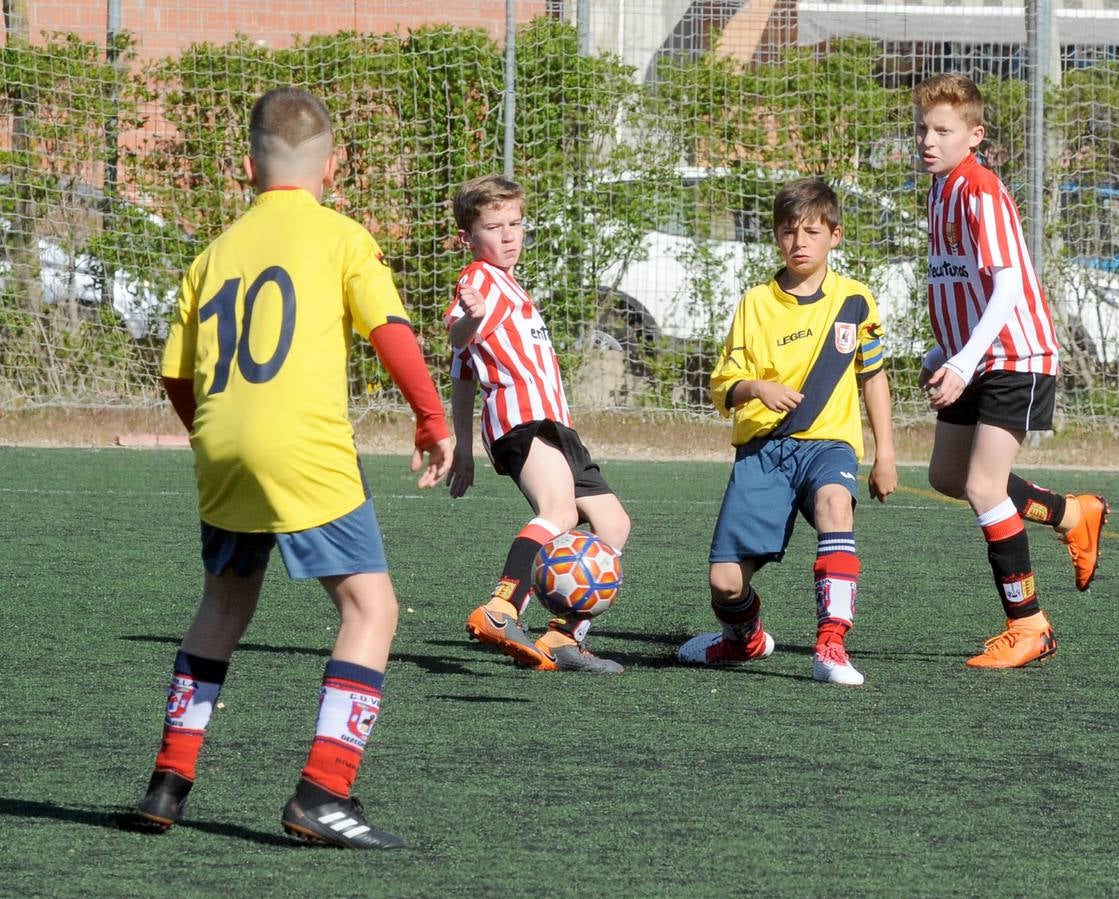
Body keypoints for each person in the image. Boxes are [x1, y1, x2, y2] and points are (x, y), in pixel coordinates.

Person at [131, 87, 451, 848]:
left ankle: (168, 783)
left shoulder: (212, 254)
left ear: (248, 169)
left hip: (221, 444)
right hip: (303, 449)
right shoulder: (343, 236)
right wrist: (433, 419)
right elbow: (392, 331)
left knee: (224, 602)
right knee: (371, 611)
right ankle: (323, 792)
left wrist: (213, 437)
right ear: (333, 167)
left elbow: (177, 377)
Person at [913, 73, 1109, 669]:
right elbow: (956, 286)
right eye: (922, 128)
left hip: (1014, 357)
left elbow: (1005, 289)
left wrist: (966, 358)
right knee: (949, 477)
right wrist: (941, 352)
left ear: (974, 135)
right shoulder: (939, 191)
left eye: (943, 130)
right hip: (972, 357)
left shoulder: (980, 189)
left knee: (982, 488)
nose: (928, 139)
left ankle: (1030, 626)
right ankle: (1073, 513)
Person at [677, 178, 898, 686]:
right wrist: (756, 388)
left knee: (835, 507)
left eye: (812, 232)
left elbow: (873, 376)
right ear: (776, 238)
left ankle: (831, 645)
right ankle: (744, 641)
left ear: (835, 236)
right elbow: (722, 388)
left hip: (828, 443)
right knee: (726, 583)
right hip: (764, 450)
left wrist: (885, 453)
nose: (800, 242)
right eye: (788, 232)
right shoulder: (755, 303)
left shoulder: (855, 301)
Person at [445, 174, 631, 674]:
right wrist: (468, 317)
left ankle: (562, 637)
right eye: (493, 227)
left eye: (515, 224)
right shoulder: (480, 280)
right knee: (560, 511)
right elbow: (457, 335)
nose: (507, 236)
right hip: (522, 419)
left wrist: (463, 449)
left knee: (614, 523)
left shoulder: (511, 287)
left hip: (556, 427)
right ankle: (503, 606)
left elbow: (462, 371)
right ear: (469, 238)